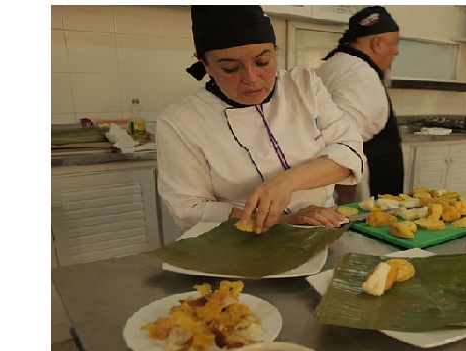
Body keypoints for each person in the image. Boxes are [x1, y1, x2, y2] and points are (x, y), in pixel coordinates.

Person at [156, 5, 366, 234]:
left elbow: (350, 151)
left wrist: (286, 182)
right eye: (230, 68)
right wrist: (282, 220)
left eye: (263, 62)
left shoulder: (304, 85)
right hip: (243, 238)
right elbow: (188, 207)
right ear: (205, 64)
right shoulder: (179, 121)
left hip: (323, 225)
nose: (251, 78)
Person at [315, 5, 403, 205]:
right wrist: (346, 206)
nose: (397, 51)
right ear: (377, 43)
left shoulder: (334, 65)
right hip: (365, 203)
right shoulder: (358, 75)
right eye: (395, 44)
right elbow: (343, 146)